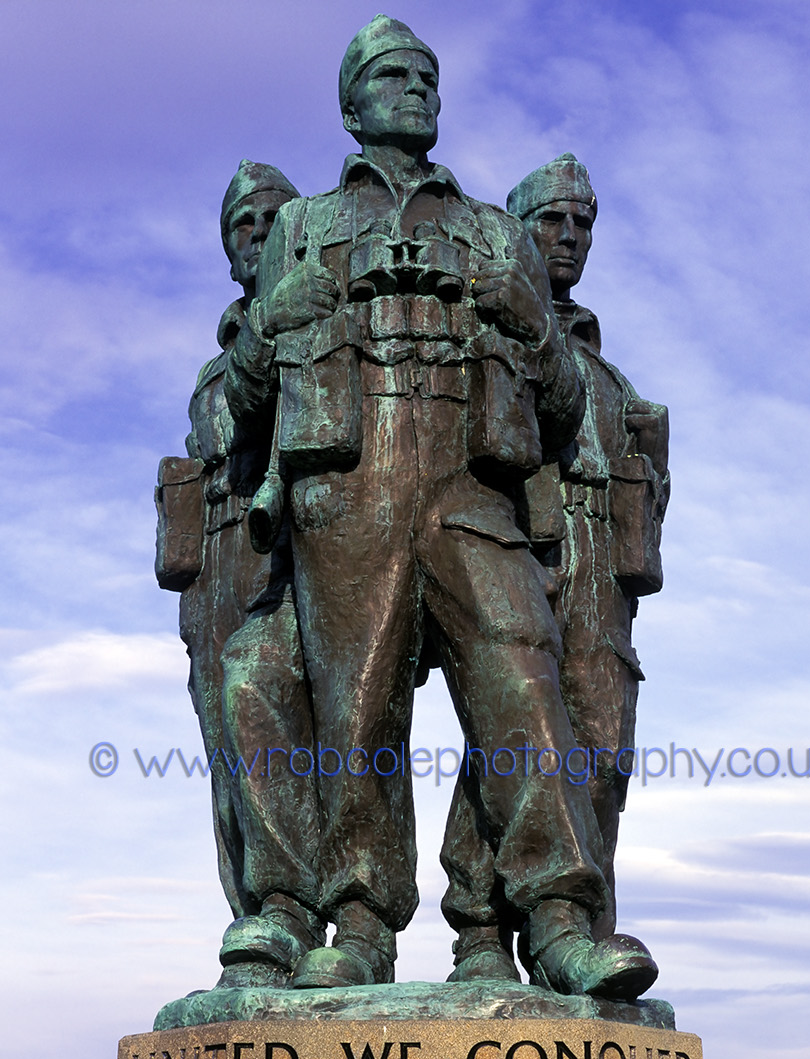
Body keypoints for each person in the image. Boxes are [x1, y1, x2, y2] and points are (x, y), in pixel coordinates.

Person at [225, 17, 654, 999]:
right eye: (389, 74)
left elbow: (558, 398)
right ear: (351, 102)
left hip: (472, 484)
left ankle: (555, 917)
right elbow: (248, 394)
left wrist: (527, 321)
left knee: (524, 680)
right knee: (358, 707)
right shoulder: (303, 226)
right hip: (349, 480)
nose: (411, 86)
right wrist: (267, 332)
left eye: (425, 74)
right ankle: (362, 921)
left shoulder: (494, 232)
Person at [441, 154, 668, 993]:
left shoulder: (609, 374)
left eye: (583, 223)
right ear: (515, 230)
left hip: (601, 575)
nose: (570, 236)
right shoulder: (487, 333)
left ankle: (580, 928)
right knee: (516, 739)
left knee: (602, 753)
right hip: (520, 551)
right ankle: (483, 927)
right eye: (551, 220)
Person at [155, 160, 325, 987]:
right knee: (231, 756)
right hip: (221, 560)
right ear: (230, 250)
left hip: (308, 545)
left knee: (333, 742)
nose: (258, 234)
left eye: (271, 218)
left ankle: (327, 925)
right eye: (242, 225)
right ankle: (256, 924)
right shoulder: (213, 371)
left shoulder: (322, 323)